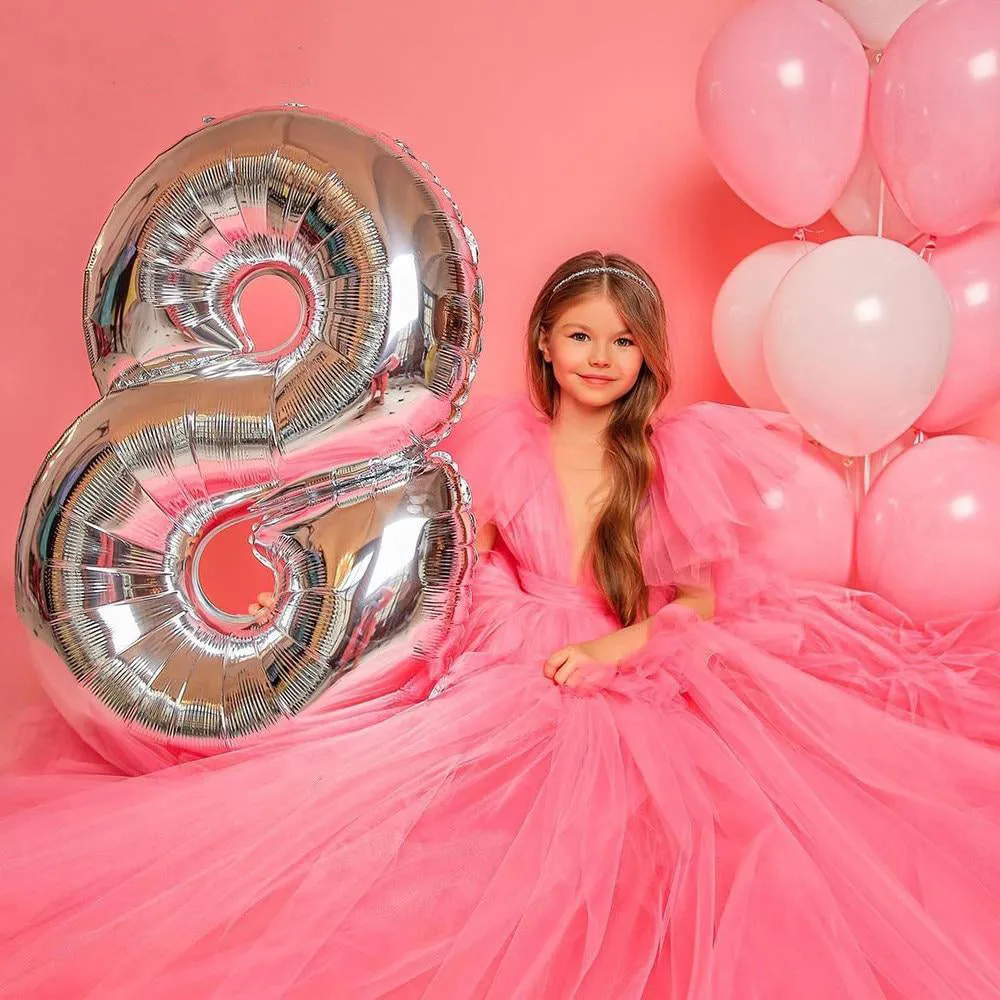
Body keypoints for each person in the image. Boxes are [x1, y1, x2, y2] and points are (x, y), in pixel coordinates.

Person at [3, 251, 1000, 999]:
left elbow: (692, 596)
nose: (599, 357)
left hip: (628, 657)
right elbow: (458, 554)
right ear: (543, 343)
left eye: (620, 338)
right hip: (513, 645)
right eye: (579, 335)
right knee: (441, 812)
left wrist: (618, 644)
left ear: (648, 351)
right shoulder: (504, 444)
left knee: (700, 826)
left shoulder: (674, 453)